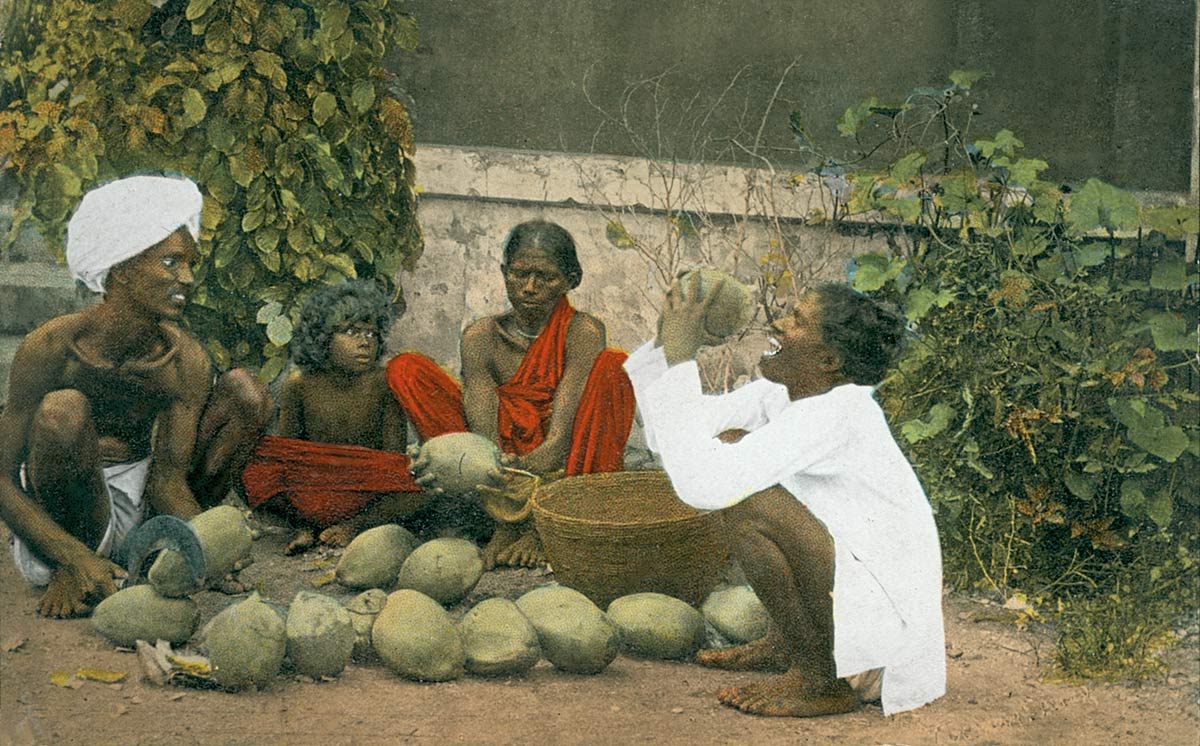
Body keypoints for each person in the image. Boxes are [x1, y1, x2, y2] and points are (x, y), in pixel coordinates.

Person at [624, 278, 945, 717]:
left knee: (748, 501)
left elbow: (703, 485)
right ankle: (787, 647)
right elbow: (678, 436)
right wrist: (665, 347)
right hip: (856, 609)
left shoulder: (840, 411)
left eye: (797, 321)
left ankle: (821, 681)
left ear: (828, 360)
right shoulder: (783, 394)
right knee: (734, 444)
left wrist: (682, 360)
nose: (777, 322)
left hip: (879, 648)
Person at [0, 175, 270, 617]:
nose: (186, 278)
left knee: (247, 393)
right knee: (63, 411)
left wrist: (206, 545)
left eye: (189, 264)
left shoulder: (182, 359)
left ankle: (150, 554)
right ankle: (76, 567)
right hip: (59, 521)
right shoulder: (51, 347)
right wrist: (73, 557)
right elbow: (2, 477)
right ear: (122, 270)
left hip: (140, 502)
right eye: (170, 263)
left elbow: (168, 480)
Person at [387, 220, 635, 568]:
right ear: (505, 272)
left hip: (562, 462)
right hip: (500, 465)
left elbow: (560, 439)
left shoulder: (582, 331)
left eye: (545, 277)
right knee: (406, 368)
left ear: (570, 280)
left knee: (615, 365)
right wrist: (492, 463)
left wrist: (533, 461)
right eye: (519, 275)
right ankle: (501, 524)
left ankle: (548, 525)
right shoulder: (481, 336)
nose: (530, 287)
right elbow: (483, 436)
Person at [241, 280, 427, 554]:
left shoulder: (384, 384)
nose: (365, 342)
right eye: (352, 331)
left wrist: (374, 482)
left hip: (365, 487)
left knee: (423, 488)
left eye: (372, 335)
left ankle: (354, 527)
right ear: (322, 336)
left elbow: (392, 458)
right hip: (311, 483)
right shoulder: (299, 384)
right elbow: (289, 451)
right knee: (253, 474)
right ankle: (303, 527)